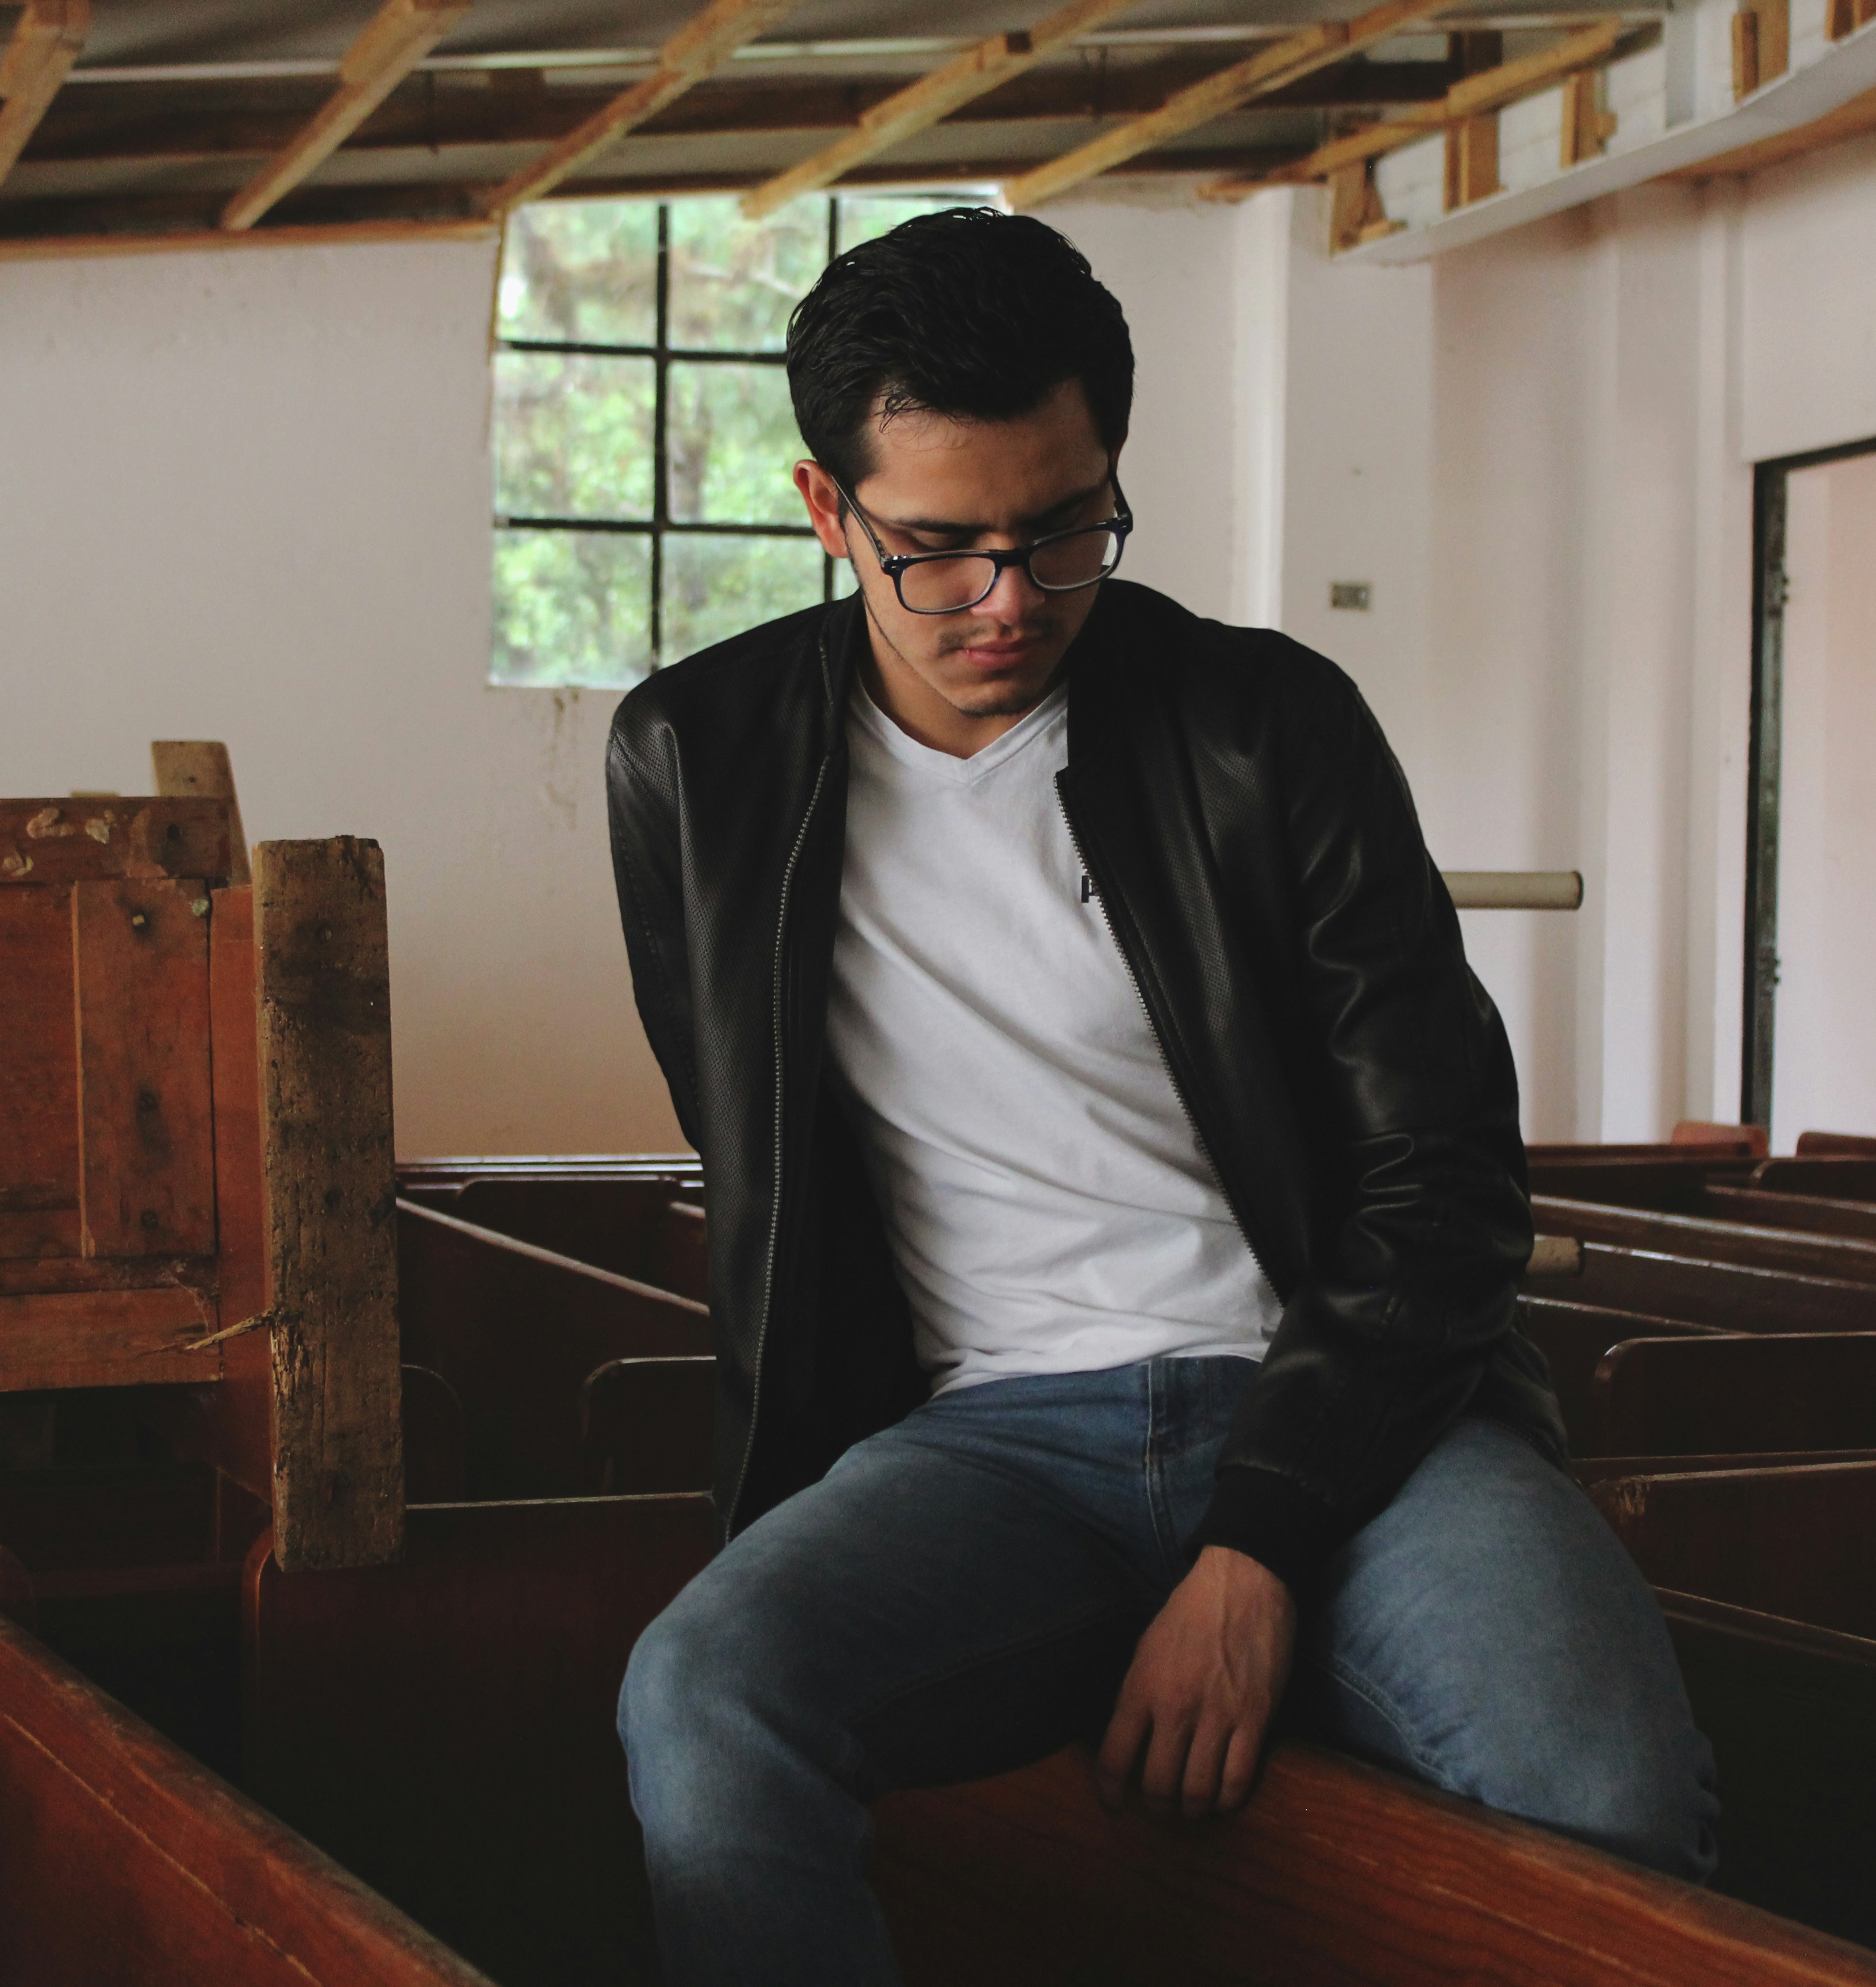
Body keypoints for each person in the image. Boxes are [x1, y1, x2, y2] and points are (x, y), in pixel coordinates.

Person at [603, 207, 1716, 1986]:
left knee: (1610, 1797)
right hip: (987, 1442)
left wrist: (1254, 1552)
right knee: (702, 1695)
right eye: (937, 550)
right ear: (828, 511)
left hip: (1350, 1417)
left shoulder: (1263, 725)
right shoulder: (697, 759)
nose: (1010, 600)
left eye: (1064, 531)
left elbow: (1443, 1185)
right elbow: (757, 1145)